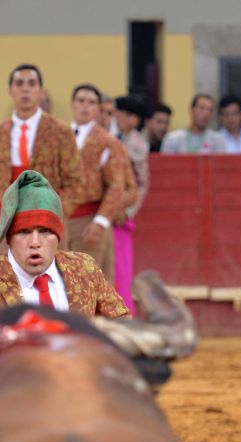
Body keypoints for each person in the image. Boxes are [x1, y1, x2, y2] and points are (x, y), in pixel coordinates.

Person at [0, 170, 128, 319]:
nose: (35, 242)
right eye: (24, 232)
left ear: (58, 236)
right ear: (9, 238)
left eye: (45, 231)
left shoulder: (84, 269)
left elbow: (122, 325)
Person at [0, 63, 84, 256]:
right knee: (9, 283)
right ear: (11, 91)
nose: (25, 88)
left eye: (31, 83)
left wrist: (52, 212)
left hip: (49, 224)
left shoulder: (61, 131)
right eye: (19, 83)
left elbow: (76, 183)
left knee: (51, 281)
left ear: (41, 92)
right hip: (11, 223)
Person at [67, 83, 128, 279]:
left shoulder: (108, 141)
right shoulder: (58, 136)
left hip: (89, 220)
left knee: (86, 287)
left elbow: (116, 186)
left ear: (98, 109)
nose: (85, 106)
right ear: (72, 105)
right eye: (81, 101)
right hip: (58, 221)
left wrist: (100, 222)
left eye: (91, 102)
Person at [112, 96, 149, 313]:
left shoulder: (137, 144)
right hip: (96, 212)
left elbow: (141, 183)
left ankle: (122, 314)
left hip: (120, 218)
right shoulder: (102, 136)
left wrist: (127, 212)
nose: (115, 117)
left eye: (119, 113)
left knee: (121, 269)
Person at [161, 94, 226, 154]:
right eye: (202, 108)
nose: (206, 114)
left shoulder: (218, 140)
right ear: (191, 110)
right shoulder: (173, 139)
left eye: (210, 110)